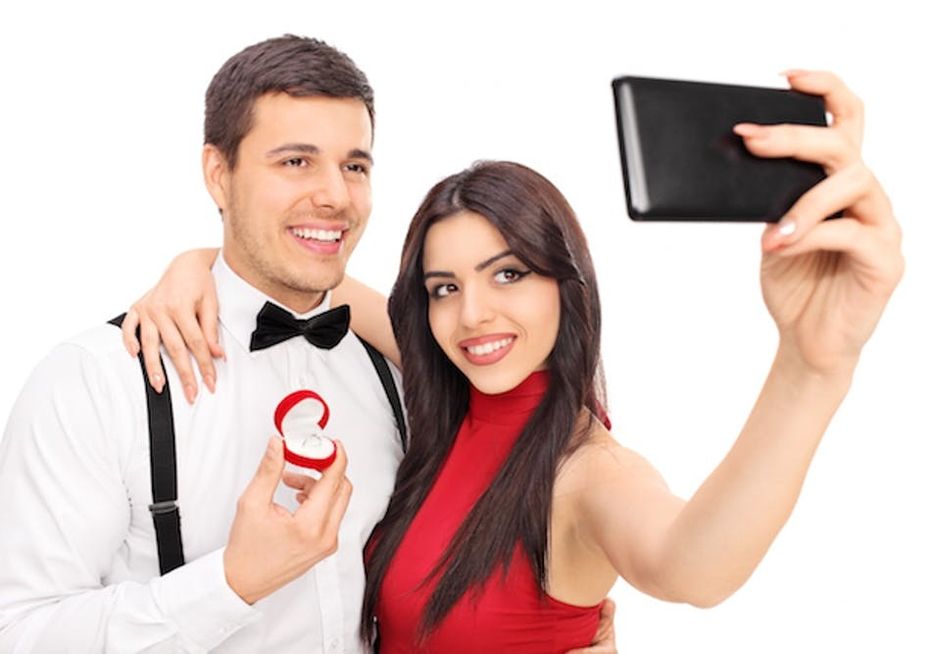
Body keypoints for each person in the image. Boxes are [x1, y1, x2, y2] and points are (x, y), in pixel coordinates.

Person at [126, 73, 903, 651]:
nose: (473, 316)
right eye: (444, 287)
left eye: (509, 274)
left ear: (566, 283)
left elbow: (690, 566)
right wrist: (195, 263)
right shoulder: (449, 384)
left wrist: (812, 365)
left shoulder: (585, 471)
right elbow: (305, 279)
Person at [0, 35, 614, 653]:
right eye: (296, 161)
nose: (336, 196)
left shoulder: (403, 371)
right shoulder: (95, 381)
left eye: (354, 165)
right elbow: (19, 632)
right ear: (219, 174)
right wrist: (231, 582)